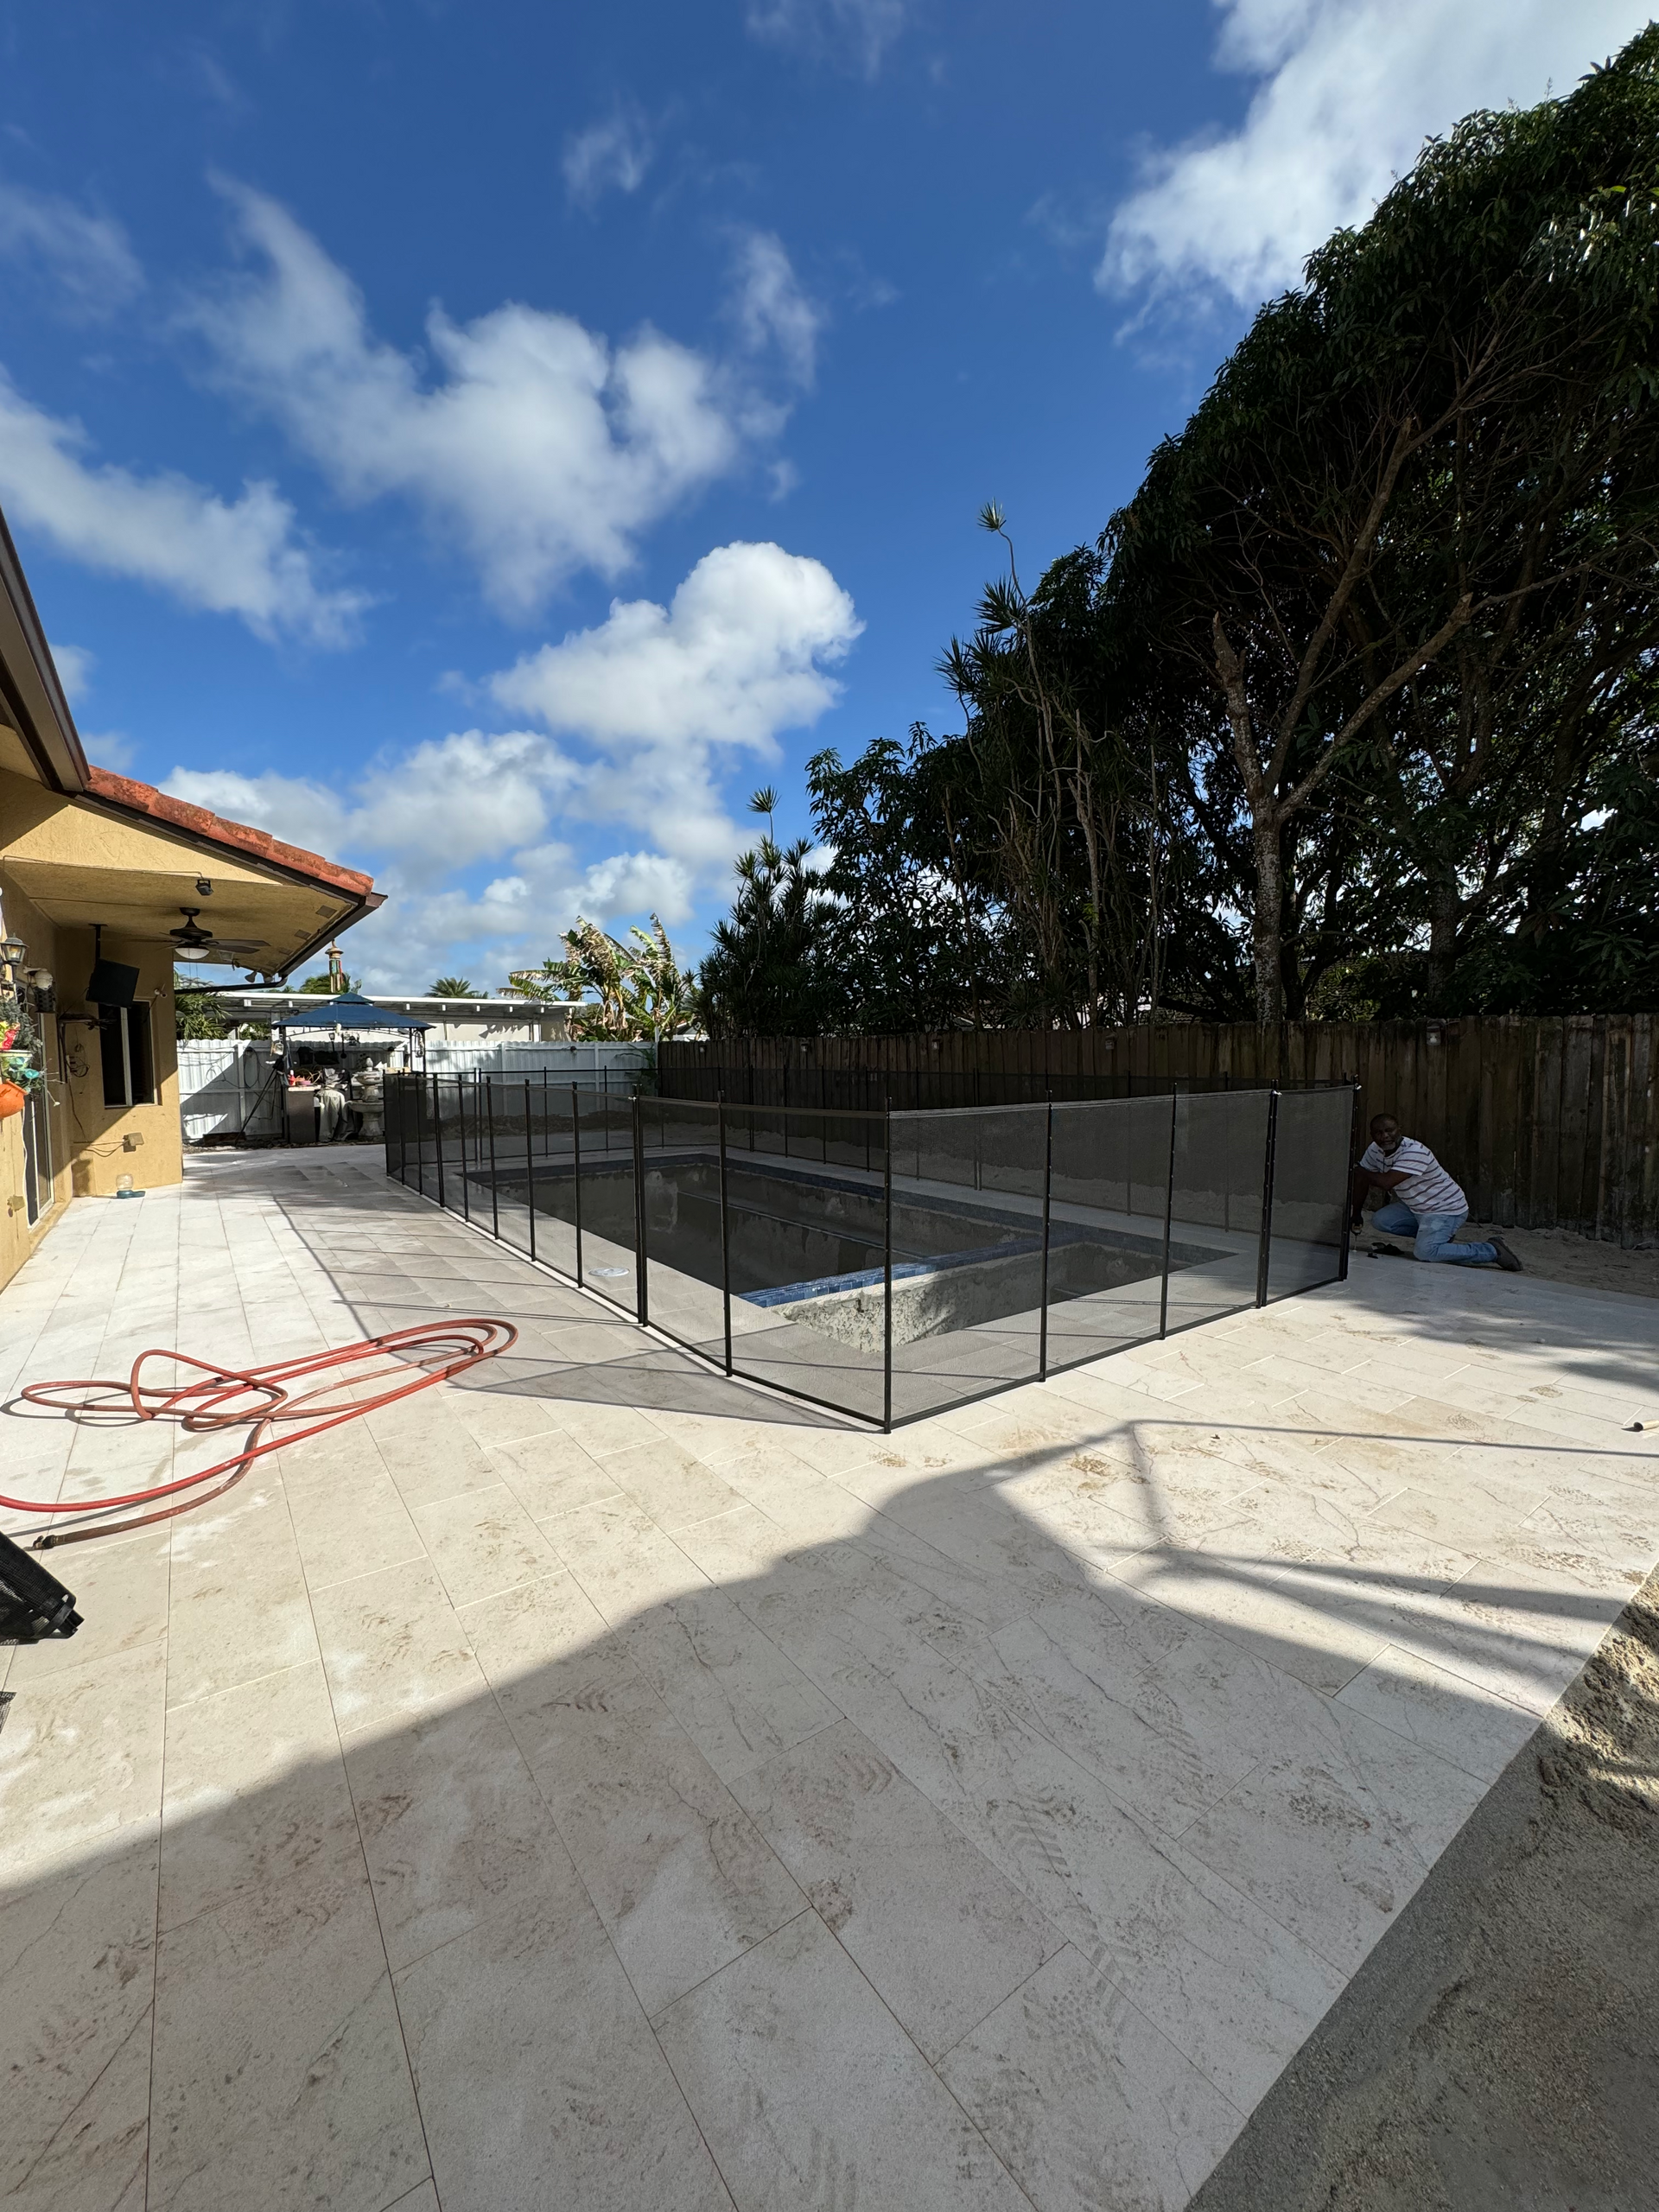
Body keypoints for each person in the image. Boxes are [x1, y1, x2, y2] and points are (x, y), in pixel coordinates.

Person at [1351, 1113, 1522, 1268]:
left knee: (1425, 1253)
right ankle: (1438, 1238)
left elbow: (1386, 1182)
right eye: (1378, 1133)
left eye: (1389, 1130)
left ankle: (1491, 1250)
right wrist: (1356, 1212)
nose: (1385, 1136)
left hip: (1445, 1209)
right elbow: (1362, 1180)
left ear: (1399, 1130)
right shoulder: (1374, 1150)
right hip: (1416, 1207)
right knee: (1381, 1220)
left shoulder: (1414, 1152)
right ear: (1372, 1135)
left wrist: (1357, 1169)